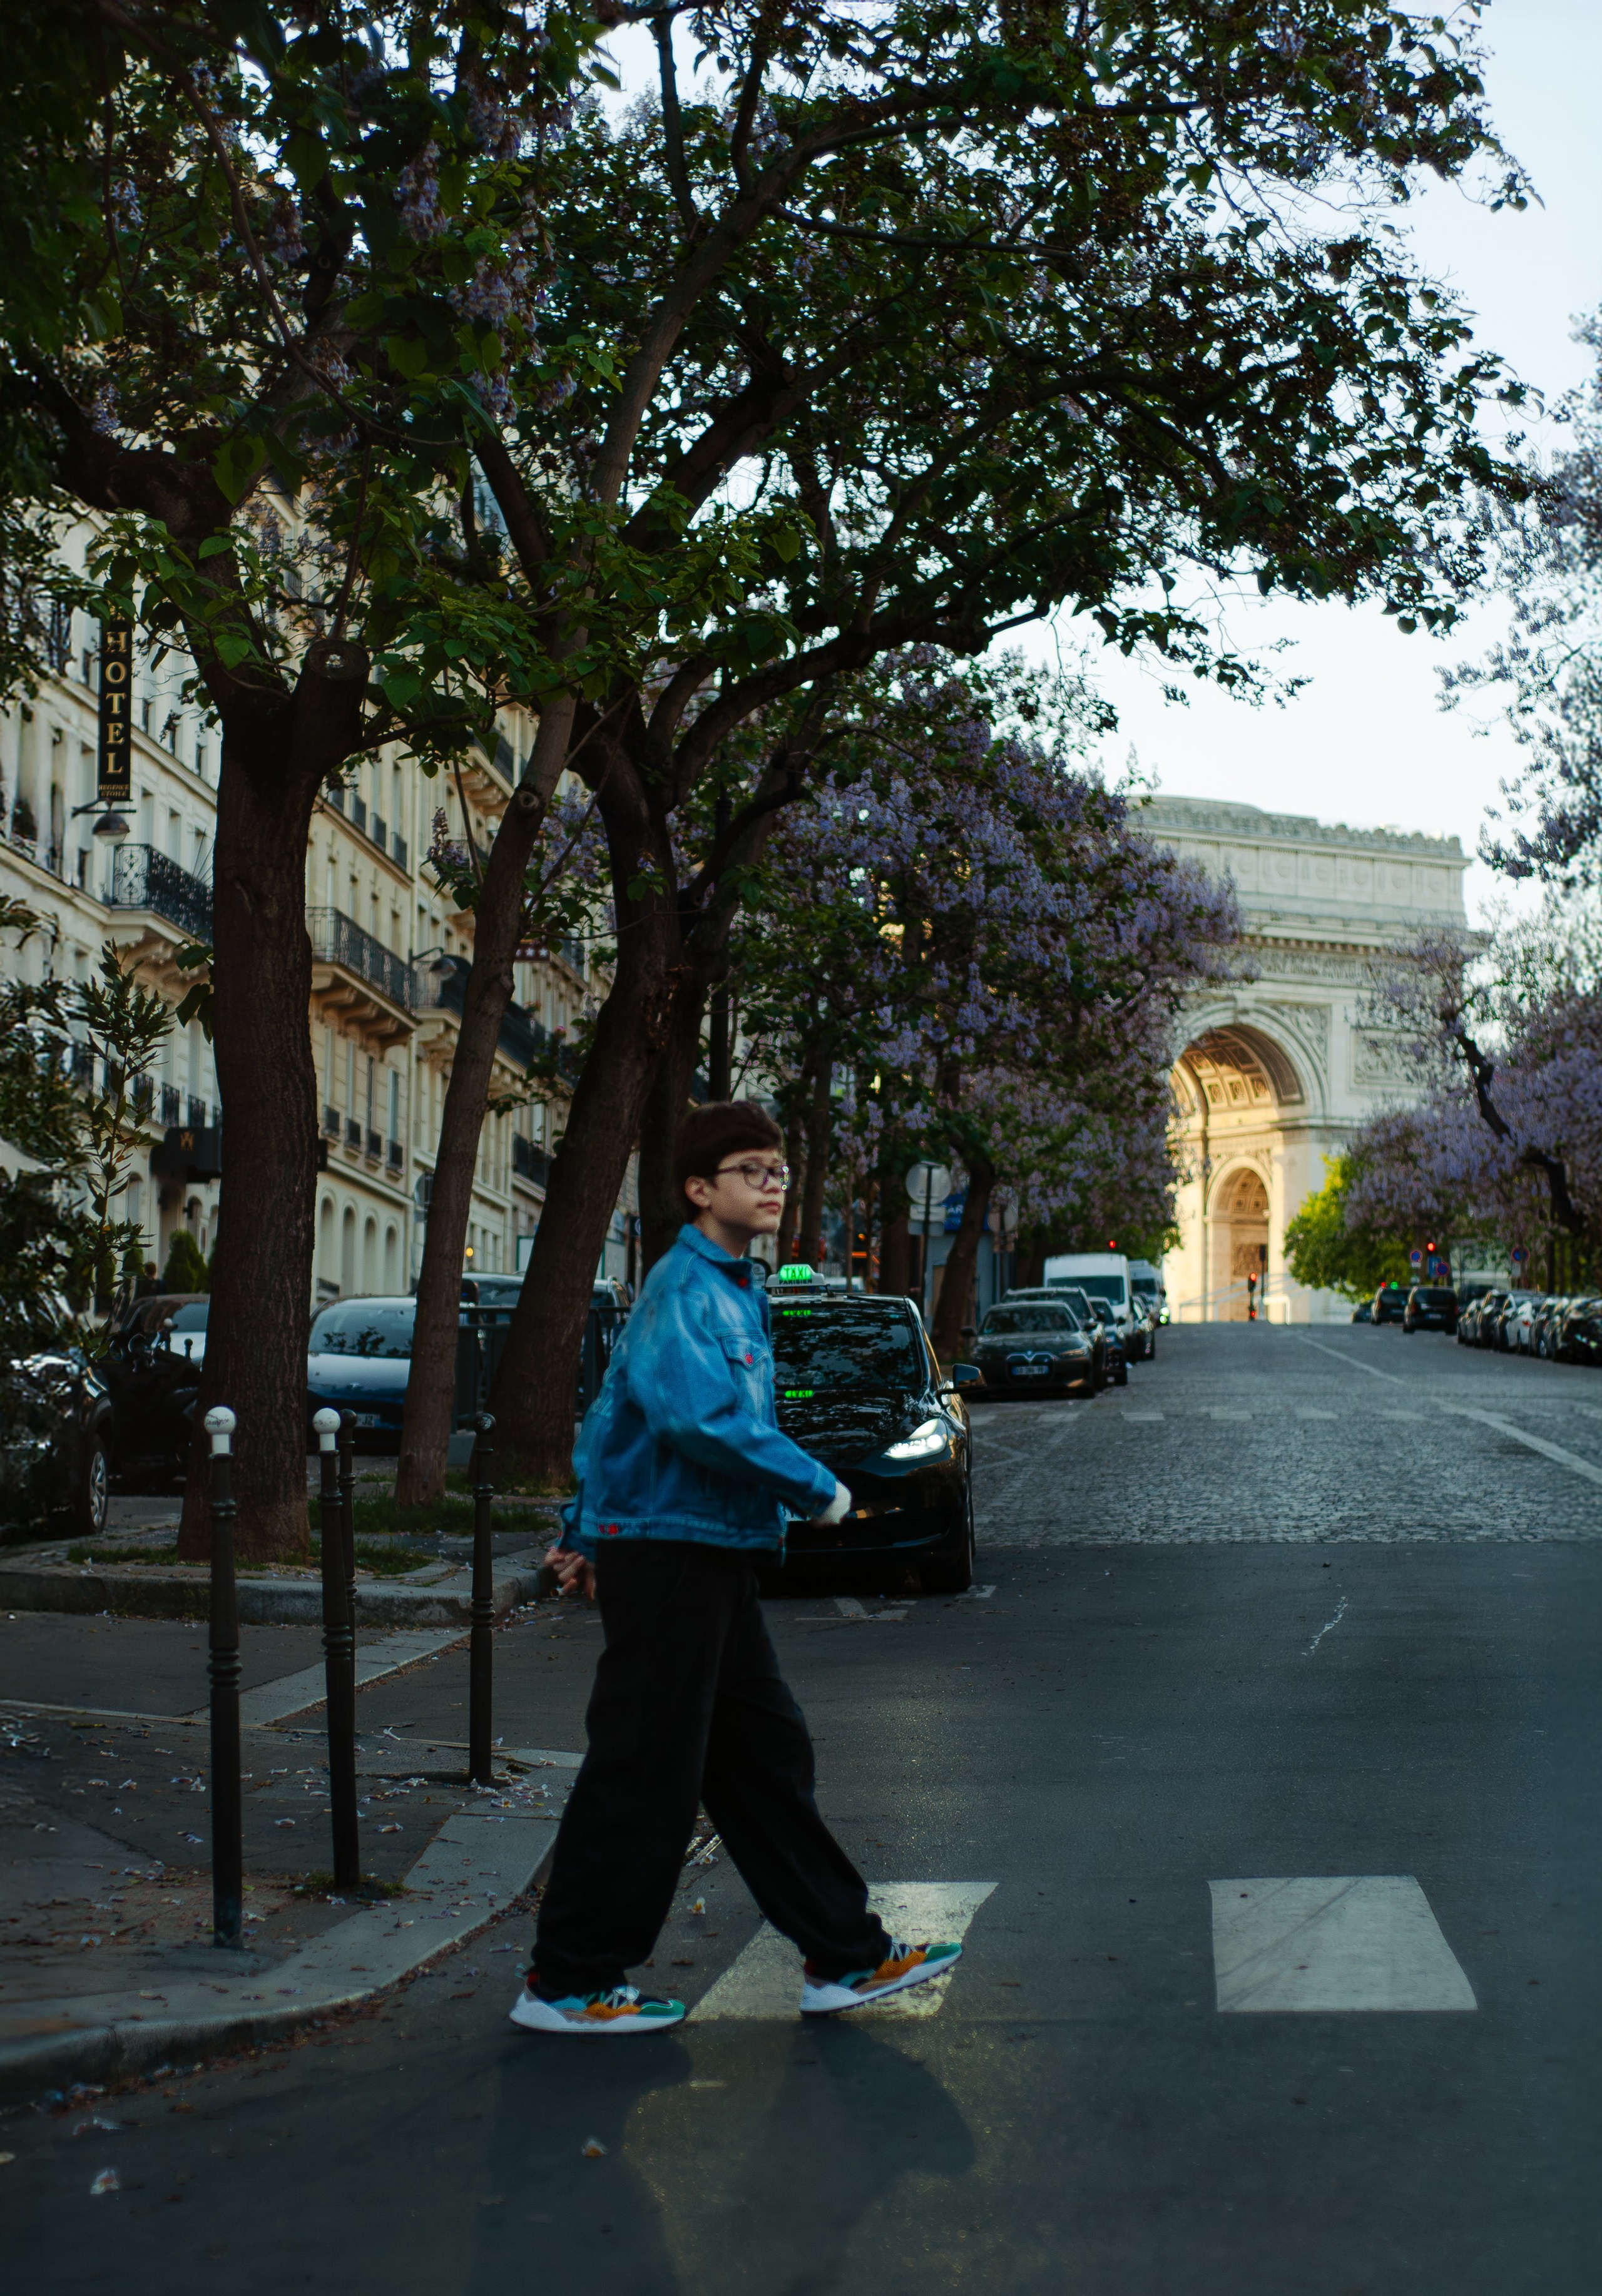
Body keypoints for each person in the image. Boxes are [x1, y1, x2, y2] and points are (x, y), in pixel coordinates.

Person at [510, 1099, 962, 2036]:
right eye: (752, 1169)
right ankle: (568, 1977)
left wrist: (580, 1530)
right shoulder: (688, 1288)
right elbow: (697, 1419)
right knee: (645, 1770)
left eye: (778, 1170)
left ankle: (844, 1953)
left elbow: (610, 1417)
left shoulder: (732, 1286)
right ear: (698, 1188)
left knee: (763, 1755)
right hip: (672, 1552)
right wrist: (816, 1485)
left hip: (705, 1552)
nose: (772, 1183)